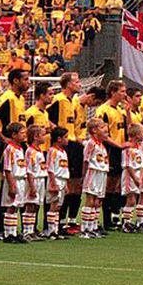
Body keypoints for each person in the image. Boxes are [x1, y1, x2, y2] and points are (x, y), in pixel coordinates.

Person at [0, 69, 29, 239]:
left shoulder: (20, 99)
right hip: (8, 147)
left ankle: (12, 228)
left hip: (20, 146)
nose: (28, 82)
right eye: (25, 79)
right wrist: (2, 137)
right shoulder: (7, 97)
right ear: (15, 81)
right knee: (7, 186)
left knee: (19, 185)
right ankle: (1, 229)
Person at [48, 72, 86, 235]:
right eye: (77, 81)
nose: (80, 84)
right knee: (65, 184)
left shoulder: (73, 102)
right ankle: (59, 222)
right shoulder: (58, 99)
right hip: (62, 145)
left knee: (75, 184)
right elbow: (46, 116)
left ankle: (69, 221)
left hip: (73, 144)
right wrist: (57, 132)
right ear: (68, 84)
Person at [97, 80, 130, 230]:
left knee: (115, 186)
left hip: (119, 149)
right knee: (107, 186)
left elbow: (128, 128)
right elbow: (102, 133)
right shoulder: (103, 110)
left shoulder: (120, 109)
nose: (124, 94)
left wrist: (128, 111)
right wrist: (117, 145)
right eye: (122, 91)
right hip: (110, 149)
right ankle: (103, 220)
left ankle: (111, 218)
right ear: (113, 92)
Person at [81, 118, 110, 239]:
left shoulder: (101, 145)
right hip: (93, 172)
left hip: (101, 173)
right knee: (90, 199)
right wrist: (83, 176)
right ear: (94, 130)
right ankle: (85, 229)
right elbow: (86, 160)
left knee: (98, 201)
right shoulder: (91, 143)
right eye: (102, 127)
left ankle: (93, 227)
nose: (105, 130)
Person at [0, 122, 27, 243]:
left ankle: (14, 232)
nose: (24, 135)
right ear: (14, 135)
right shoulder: (10, 149)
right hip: (14, 180)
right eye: (22, 133)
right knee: (11, 206)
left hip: (21, 180)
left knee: (16, 206)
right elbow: (7, 168)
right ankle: (8, 234)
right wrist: (11, 185)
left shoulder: (20, 148)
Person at [44, 127, 70, 239]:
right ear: (59, 139)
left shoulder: (63, 152)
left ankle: (55, 229)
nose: (67, 139)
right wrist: (53, 183)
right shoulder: (52, 151)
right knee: (53, 205)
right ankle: (50, 231)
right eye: (66, 137)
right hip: (56, 179)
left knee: (58, 206)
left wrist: (67, 184)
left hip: (63, 180)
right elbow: (50, 168)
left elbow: (64, 168)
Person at [24, 124, 48, 241]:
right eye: (43, 135)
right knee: (30, 205)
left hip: (41, 179)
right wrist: (32, 186)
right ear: (35, 137)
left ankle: (32, 230)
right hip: (34, 180)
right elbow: (29, 170)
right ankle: (27, 231)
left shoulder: (39, 151)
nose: (45, 137)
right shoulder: (30, 151)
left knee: (36, 205)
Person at [121, 123, 143, 233]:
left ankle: (130, 221)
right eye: (142, 133)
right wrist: (135, 177)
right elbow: (127, 164)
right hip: (129, 176)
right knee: (130, 199)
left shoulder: (139, 147)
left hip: (137, 173)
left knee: (134, 199)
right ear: (136, 135)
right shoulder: (128, 148)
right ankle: (126, 223)